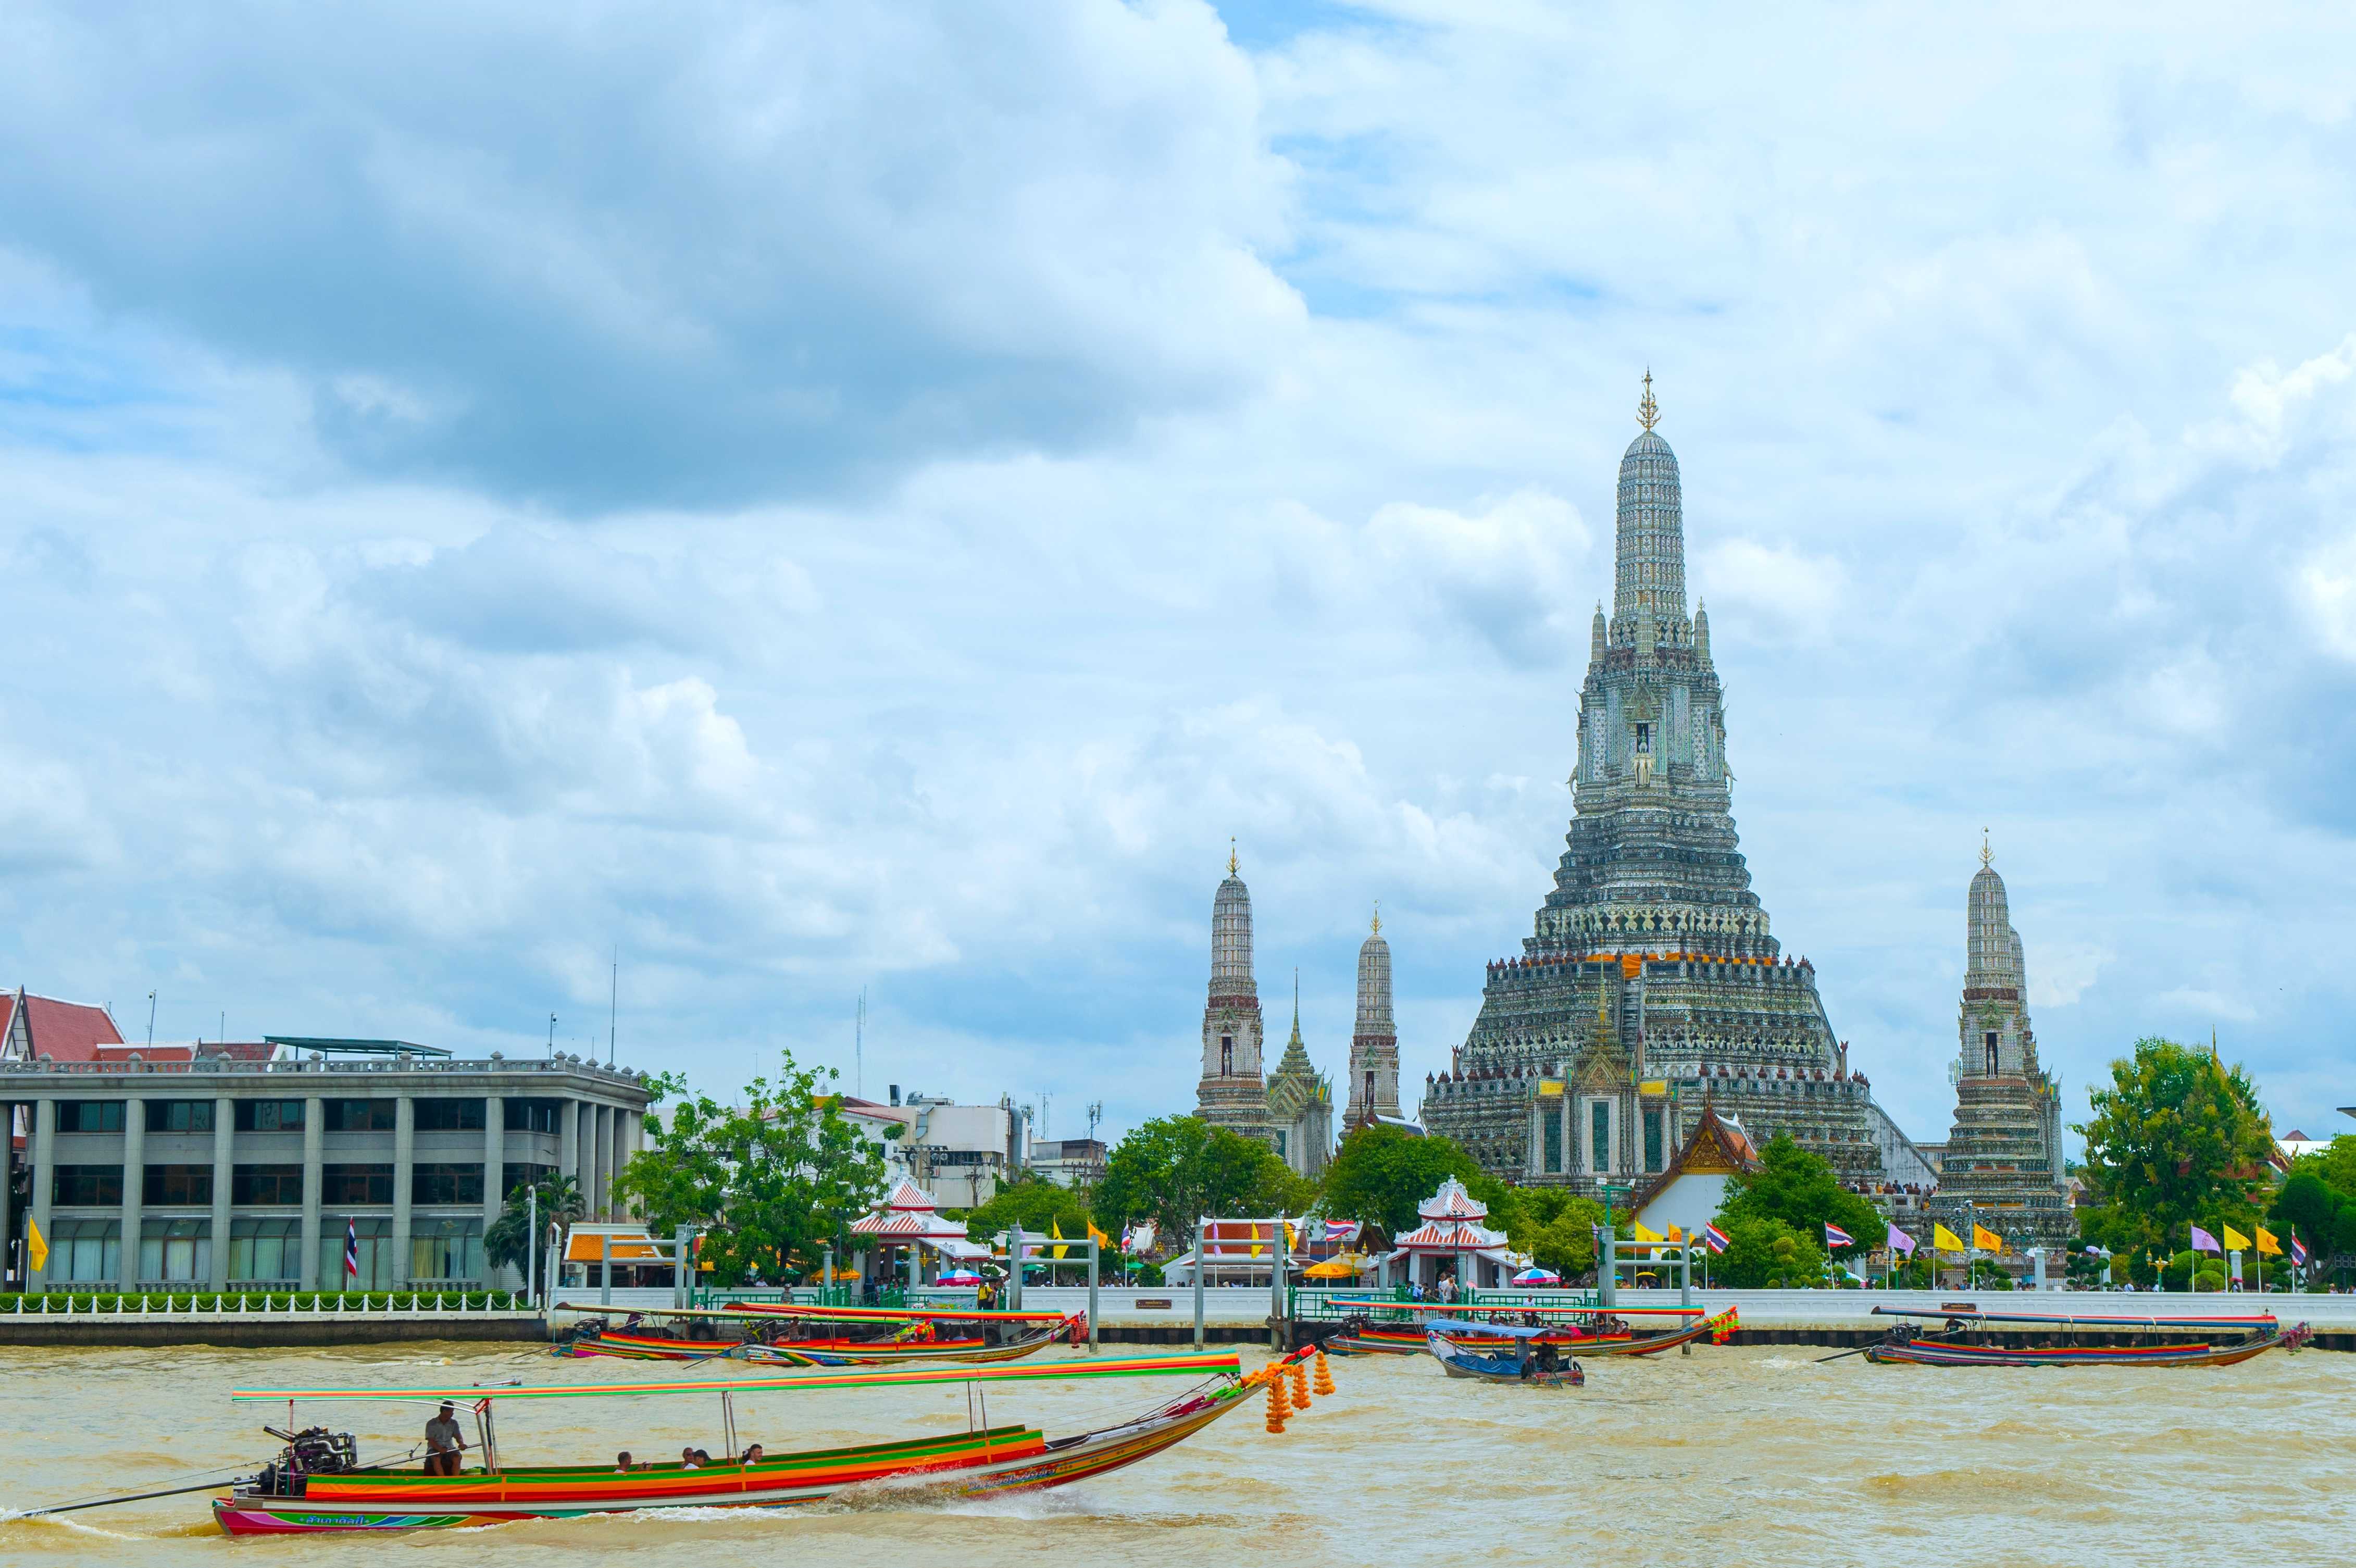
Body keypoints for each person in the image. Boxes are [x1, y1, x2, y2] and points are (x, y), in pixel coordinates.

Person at [423, 1402, 466, 1477]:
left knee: (457, 1457)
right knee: (436, 1458)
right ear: (444, 1411)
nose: (453, 1414)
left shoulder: (454, 1423)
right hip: (434, 1448)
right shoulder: (431, 1423)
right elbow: (431, 1440)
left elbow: (458, 1436)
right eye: (451, 1412)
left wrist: (461, 1443)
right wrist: (440, 1449)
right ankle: (443, 1479)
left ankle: (455, 1478)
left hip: (450, 1448)